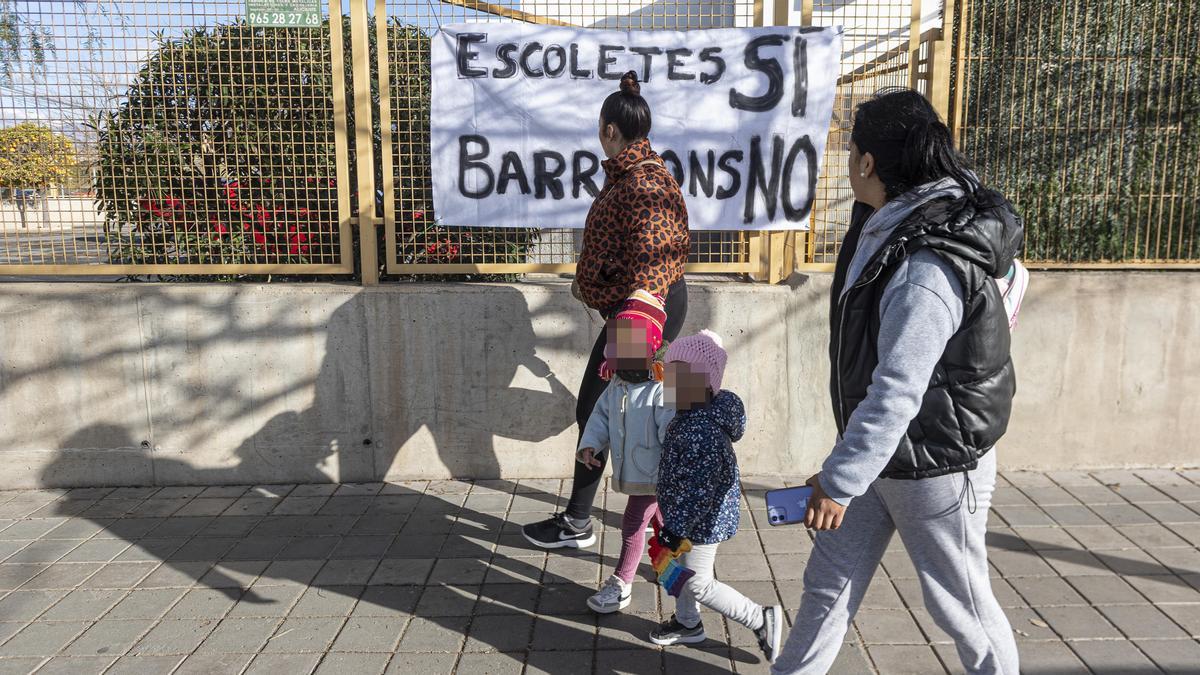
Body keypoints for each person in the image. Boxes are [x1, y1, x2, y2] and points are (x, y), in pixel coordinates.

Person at [771, 88, 1024, 674]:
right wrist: (847, 468)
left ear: (867, 164)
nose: (845, 164)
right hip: (881, 455)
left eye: (850, 151)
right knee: (827, 582)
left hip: (936, 466)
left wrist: (840, 481)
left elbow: (898, 390)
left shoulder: (924, 265)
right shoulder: (896, 222)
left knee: (961, 607)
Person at [523, 70, 690, 549]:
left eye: (600, 128)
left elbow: (656, 258)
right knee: (615, 412)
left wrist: (635, 323)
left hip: (644, 309)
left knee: (605, 410)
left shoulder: (646, 182)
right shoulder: (632, 174)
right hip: (639, 308)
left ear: (610, 131)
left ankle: (597, 523)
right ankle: (605, 519)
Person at [648, 330, 784, 663]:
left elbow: (699, 493)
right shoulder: (692, 415)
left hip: (701, 523)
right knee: (681, 569)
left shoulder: (702, 431)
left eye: (674, 377)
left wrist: (676, 528)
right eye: (665, 374)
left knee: (699, 584)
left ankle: (759, 618)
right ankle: (687, 623)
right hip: (688, 518)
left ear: (704, 384)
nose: (666, 383)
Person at [576, 295, 674, 613]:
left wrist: (673, 467)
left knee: (633, 522)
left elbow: (674, 429)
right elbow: (602, 415)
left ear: (649, 344)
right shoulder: (618, 381)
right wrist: (591, 444)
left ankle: (621, 583)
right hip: (636, 471)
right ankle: (672, 571)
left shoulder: (663, 384)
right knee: (662, 522)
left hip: (656, 472)